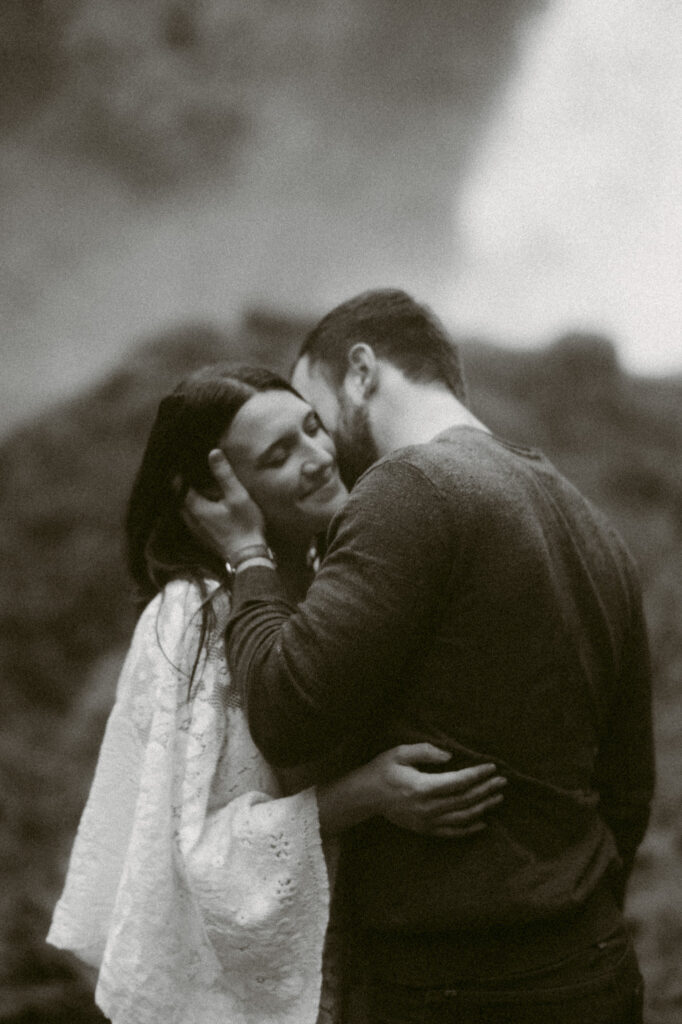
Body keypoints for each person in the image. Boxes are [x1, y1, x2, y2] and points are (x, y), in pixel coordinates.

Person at [184, 290, 655, 1024]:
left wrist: (247, 556)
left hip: (455, 988)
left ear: (361, 371)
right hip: (593, 969)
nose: (321, 452)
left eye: (315, 413)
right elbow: (629, 792)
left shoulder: (409, 487)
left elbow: (284, 710)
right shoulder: (590, 523)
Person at [47, 363, 506, 1024]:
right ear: (211, 495)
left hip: (381, 961)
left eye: (313, 427)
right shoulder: (191, 619)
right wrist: (370, 794)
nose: (319, 458)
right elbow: (190, 857)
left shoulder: (338, 580)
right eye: (277, 456)